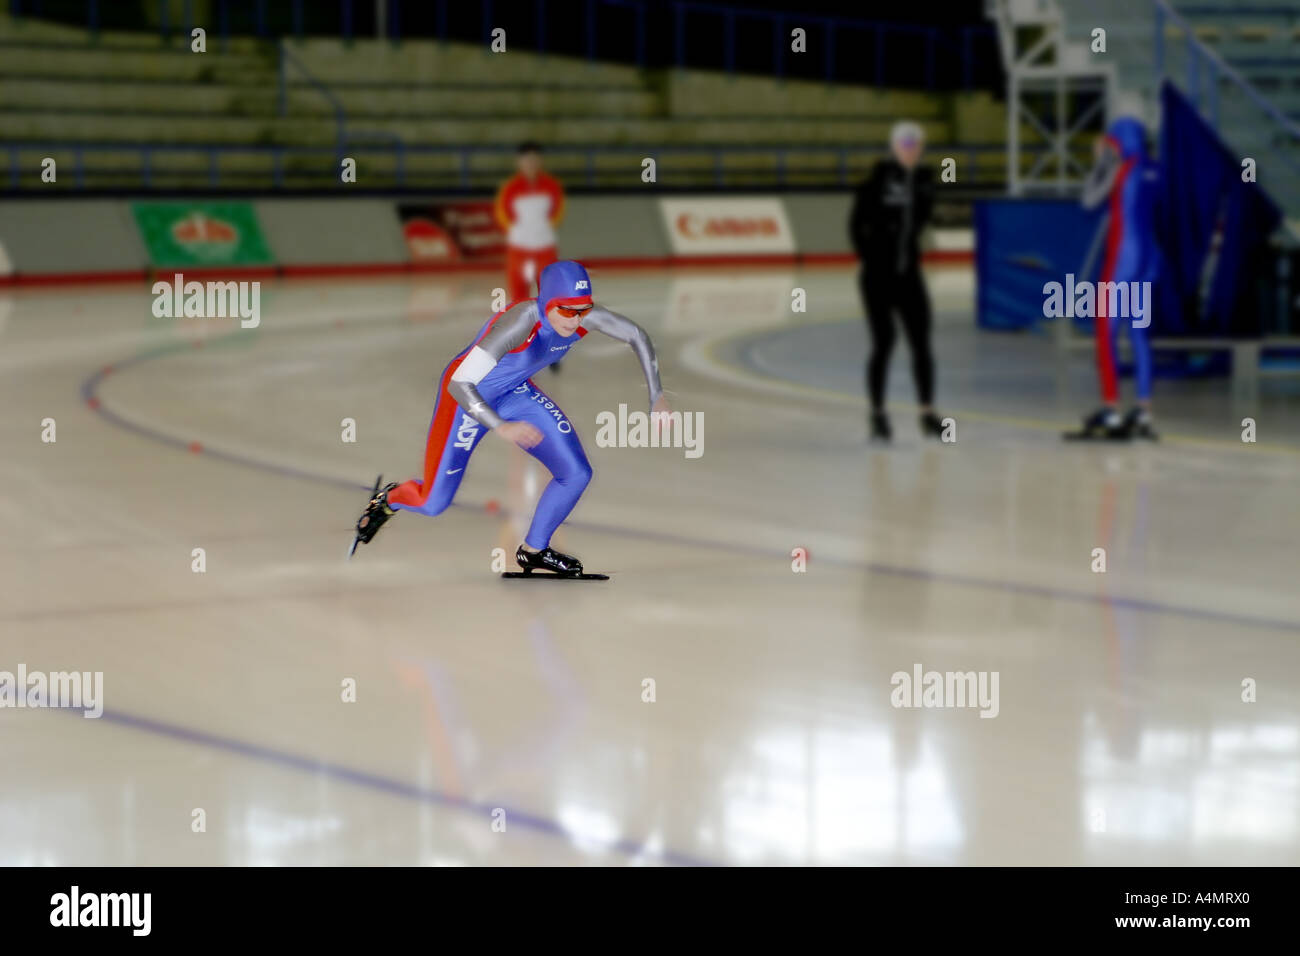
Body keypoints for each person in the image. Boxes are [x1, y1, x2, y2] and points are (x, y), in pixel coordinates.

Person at [352, 260, 669, 576]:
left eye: (583, 310)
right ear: (546, 304)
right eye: (566, 310)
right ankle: (388, 499)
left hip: (515, 393)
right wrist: (499, 425)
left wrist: (657, 396)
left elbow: (637, 336)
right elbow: (459, 384)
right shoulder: (520, 323)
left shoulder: (587, 317)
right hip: (466, 401)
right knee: (433, 503)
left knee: (576, 473)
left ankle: (534, 550)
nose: (575, 321)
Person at [850, 120, 943, 442]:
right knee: (884, 342)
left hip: (910, 276)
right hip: (878, 277)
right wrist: (872, 258)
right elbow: (856, 225)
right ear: (893, 146)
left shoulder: (925, 179)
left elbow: (925, 215)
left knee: (922, 343)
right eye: (906, 144)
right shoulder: (878, 179)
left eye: (917, 144)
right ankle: (877, 414)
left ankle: (927, 414)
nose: (912, 150)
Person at [1068, 116, 1159, 441]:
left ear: (1118, 142)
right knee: (1137, 333)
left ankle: (1111, 408)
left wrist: (1101, 162)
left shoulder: (1121, 171)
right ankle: (1144, 410)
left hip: (1124, 257)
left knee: (1104, 329)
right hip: (1150, 259)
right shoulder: (1154, 169)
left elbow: (1088, 200)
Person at [495, 141, 566, 372]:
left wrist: (540, 232)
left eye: (535, 159)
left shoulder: (551, 186)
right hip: (520, 250)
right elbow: (502, 215)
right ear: (520, 162)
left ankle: (552, 351)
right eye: (527, 160)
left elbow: (557, 212)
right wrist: (521, 235)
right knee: (520, 300)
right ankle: (523, 350)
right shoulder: (510, 188)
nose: (531, 164)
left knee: (550, 299)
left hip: (545, 248)